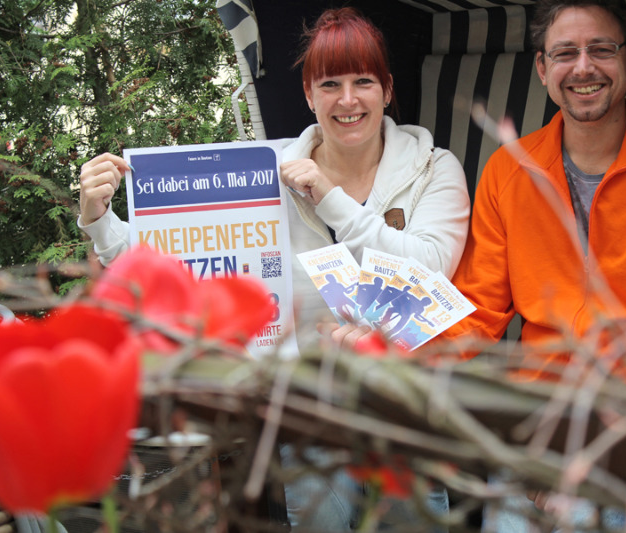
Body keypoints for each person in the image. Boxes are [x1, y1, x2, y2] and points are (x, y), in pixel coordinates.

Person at [77, 7, 469, 532]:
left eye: (363, 82)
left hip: (401, 403)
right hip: (306, 408)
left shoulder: (433, 166)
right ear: (309, 95)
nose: (348, 100)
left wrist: (331, 200)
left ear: (388, 89)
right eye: (330, 84)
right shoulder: (265, 169)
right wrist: (101, 221)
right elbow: (178, 265)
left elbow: (428, 272)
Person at [440, 0, 626, 530]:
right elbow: (476, 310)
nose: (583, 68)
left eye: (602, 49)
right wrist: (392, 355)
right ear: (543, 69)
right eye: (565, 53)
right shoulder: (510, 169)